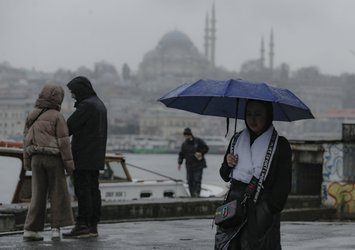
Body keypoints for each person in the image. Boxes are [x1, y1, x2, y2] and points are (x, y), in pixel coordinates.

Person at [215, 100, 292, 250]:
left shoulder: (280, 144)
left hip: (261, 208)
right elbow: (225, 175)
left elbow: (283, 184)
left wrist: (269, 209)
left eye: (258, 114)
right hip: (234, 207)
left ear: (268, 115)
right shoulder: (236, 140)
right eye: (249, 114)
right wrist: (227, 163)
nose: (252, 119)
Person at [22, 84, 75, 241]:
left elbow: (26, 140)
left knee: (38, 194)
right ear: (58, 98)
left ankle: (30, 230)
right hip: (53, 158)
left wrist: (27, 163)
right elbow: (64, 142)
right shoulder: (57, 116)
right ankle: (55, 230)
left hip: (36, 159)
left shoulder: (32, 115)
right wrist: (69, 166)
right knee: (58, 193)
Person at [62, 76, 107, 238]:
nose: (73, 95)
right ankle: (93, 225)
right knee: (93, 190)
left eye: (73, 92)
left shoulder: (87, 106)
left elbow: (68, 127)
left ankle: (82, 225)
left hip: (83, 156)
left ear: (80, 90)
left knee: (83, 191)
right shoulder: (99, 104)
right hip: (95, 156)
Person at [178, 128, 209, 198]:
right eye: (185, 135)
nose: (186, 136)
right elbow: (181, 154)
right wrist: (179, 163)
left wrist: (200, 153)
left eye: (187, 135)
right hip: (189, 165)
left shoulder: (198, 141)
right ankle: (192, 195)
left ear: (190, 134)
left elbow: (206, 148)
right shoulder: (184, 144)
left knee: (197, 180)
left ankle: (197, 194)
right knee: (189, 180)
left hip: (198, 164)